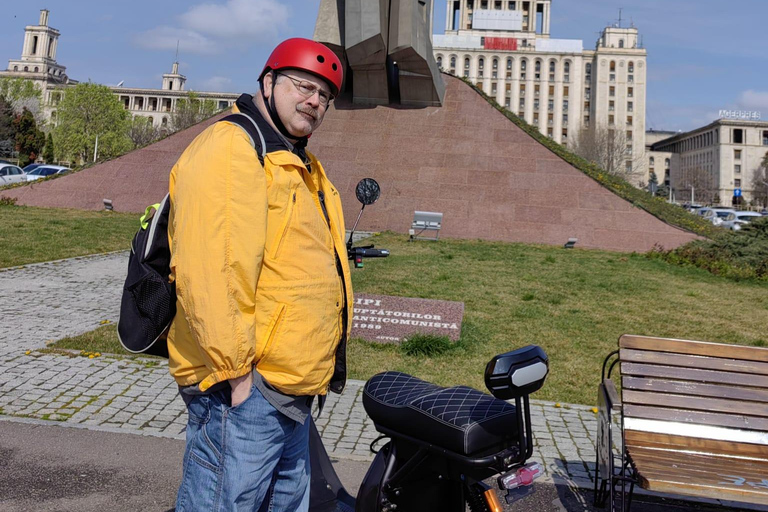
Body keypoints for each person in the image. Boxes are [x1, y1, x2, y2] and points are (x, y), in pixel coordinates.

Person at [167, 38, 353, 511]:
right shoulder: (233, 147)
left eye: (325, 95)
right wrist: (237, 375)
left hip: (290, 390)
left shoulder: (298, 161)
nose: (314, 101)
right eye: (303, 85)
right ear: (268, 82)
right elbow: (214, 269)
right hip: (247, 391)